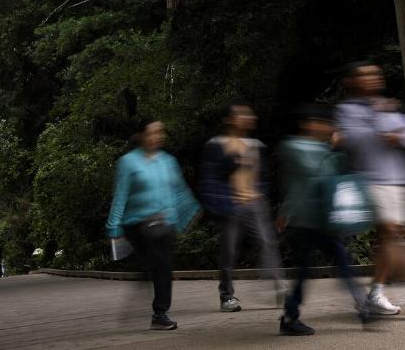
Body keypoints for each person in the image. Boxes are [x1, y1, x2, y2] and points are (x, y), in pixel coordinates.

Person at [335, 62, 405, 315]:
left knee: (395, 238)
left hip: (399, 180)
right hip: (371, 179)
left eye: (375, 74)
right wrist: (379, 122)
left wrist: (400, 135)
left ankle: (379, 293)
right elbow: (350, 139)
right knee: (391, 234)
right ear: (352, 82)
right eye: (365, 75)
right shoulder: (347, 110)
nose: (373, 78)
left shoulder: (389, 107)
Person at [276, 105, 371, 335]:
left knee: (343, 261)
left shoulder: (323, 149)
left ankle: (363, 307)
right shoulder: (292, 147)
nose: (328, 127)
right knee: (304, 271)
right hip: (302, 221)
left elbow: (337, 174)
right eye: (323, 123)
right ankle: (289, 318)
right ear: (308, 124)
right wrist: (331, 147)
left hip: (325, 219)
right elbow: (311, 172)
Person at [106, 120, 200, 331]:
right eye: (152, 132)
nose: (157, 136)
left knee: (163, 265)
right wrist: (113, 227)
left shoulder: (168, 161)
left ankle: (160, 312)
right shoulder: (128, 162)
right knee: (158, 258)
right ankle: (159, 310)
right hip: (137, 222)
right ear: (141, 135)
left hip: (165, 221)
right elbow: (120, 196)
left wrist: (189, 214)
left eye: (160, 132)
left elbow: (178, 191)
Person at [199, 103, 286, 313]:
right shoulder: (217, 145)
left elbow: (262, 176)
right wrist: (221, 202)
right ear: (229, 119)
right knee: (229, 251)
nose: (247, 117)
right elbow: (209, 179)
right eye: (241, 115)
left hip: (255, 204)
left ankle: (279, 287)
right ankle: (227, 296)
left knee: (267, 242)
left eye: (248, 114)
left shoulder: (255, 144)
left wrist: (260, 193)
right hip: (231, 204)